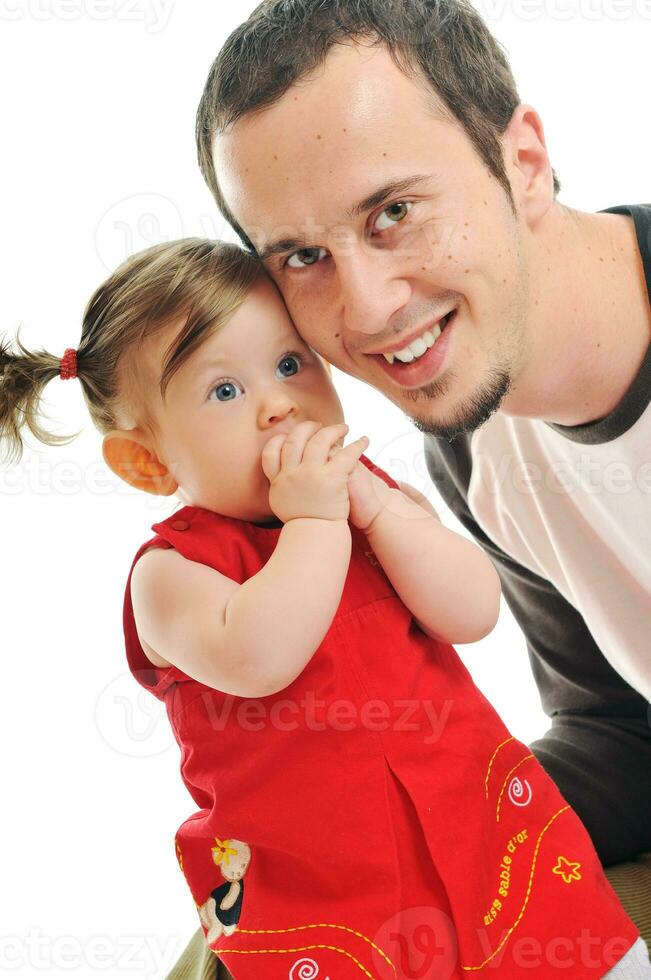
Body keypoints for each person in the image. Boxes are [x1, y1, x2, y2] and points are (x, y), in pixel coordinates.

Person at [0, 238, 648, 979]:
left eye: (289, 364)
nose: (279, 404)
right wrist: (313, 523)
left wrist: (384, 515)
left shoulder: (370, 504)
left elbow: (472, 612)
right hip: (327, 892)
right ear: (148, 461)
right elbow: (260, 657)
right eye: (224, 391)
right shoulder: (173, 573)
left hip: (477, 838)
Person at [174, 0, 651, 976]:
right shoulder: (474, 446)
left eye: (393, 211)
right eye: (304, 256)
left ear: (523, 162)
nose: (366, 306)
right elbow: (622, 726)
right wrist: (384, 844)